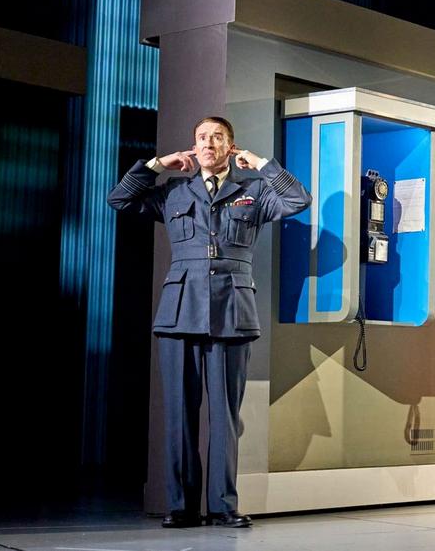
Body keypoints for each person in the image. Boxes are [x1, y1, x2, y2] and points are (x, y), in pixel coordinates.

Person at [108, 116, 311, 528]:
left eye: (217, 137)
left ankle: (223, 505)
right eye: (201, 137)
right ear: (194, 145)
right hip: (180, 311)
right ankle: (181, 506)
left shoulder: (253, 191)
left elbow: (298, 200)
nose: (208, 143)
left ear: (230, 146)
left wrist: (263, 165)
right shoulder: (174, 191)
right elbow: (120, 199)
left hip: (231, 313)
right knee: (179, 415)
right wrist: (158, 164)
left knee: (225, 417)